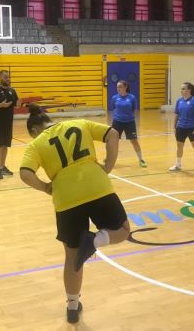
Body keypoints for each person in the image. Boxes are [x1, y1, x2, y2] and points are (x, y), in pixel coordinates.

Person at [20, 104, 130, 324]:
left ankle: (72, 306)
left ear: (33, 130)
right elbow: (113, 134)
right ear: (48, 119)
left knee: (72, 256)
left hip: (66, 198)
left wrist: (45, 187)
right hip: (97, 186)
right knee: (124, 231)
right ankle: (96, 240)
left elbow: (25, 173)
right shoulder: (80, 124)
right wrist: (108, 165)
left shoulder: (36, 143)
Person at [169, 82, 194, 175]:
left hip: (192, 128)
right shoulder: (179, 101)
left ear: (189, 90)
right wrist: (174, 126)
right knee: (179, 146)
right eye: (181, 89)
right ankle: (178, 165)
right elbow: (176, 114)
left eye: (184, 88)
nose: (182, 91)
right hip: (180, 127)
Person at [110, 80, 146, 167]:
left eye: (120, 87)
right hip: (117, 122)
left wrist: (128, 117)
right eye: (117, 87)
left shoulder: (132, 98)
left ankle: (141, 159)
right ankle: (110, 159)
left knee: (134, 141)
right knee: (113, 141)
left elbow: (134, 109)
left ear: (125, 87)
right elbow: (113, 108)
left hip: (129, 122)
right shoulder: (114, 98)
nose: (118, 88)